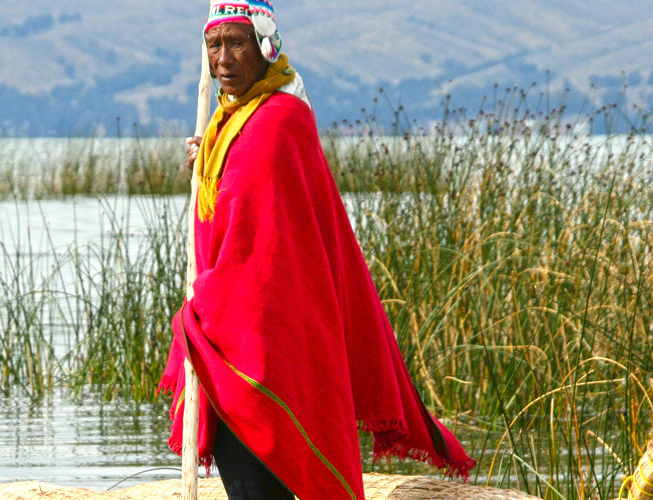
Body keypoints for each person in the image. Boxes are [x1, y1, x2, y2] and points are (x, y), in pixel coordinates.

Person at [158, 2, 477, 499]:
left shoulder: (280, 121)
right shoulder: (226, 124)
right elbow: (222, 221)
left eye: (237, 42)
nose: (224, 58)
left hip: (267, 342)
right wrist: (208, 164)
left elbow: (262, 249)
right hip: (231, 339)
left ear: (266, 46)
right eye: (214, 45)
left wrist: (201, 312)